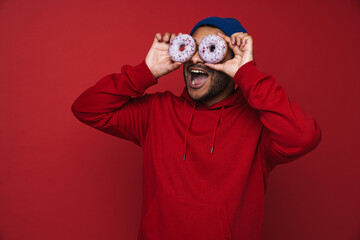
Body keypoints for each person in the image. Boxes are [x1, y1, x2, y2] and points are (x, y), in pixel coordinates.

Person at [72, 17, 321, 240]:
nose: (195, 59)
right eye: (190, 48)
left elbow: (303, 136)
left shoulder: (259, 126)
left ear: (233, 61)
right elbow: (87, 108)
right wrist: (144, 72)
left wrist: (248, 74)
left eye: (210, 49)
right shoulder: (156, 112)